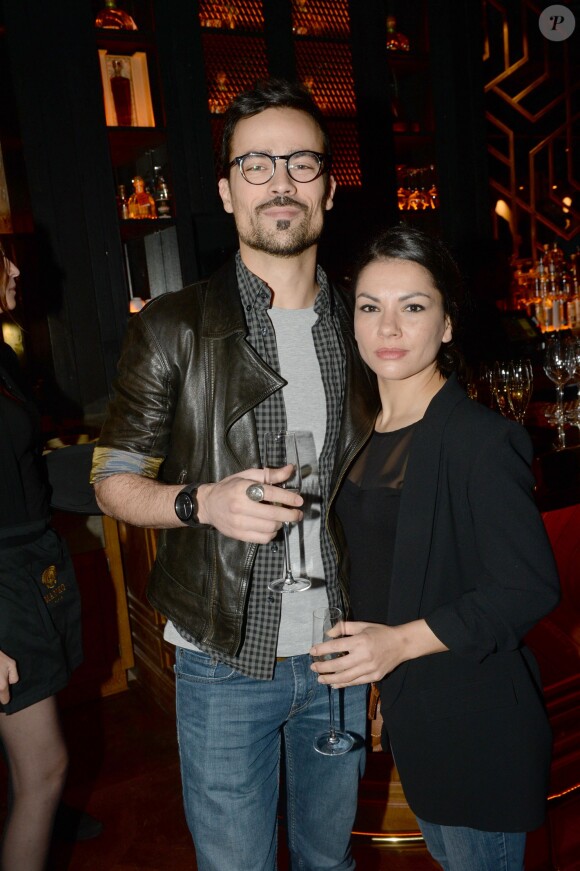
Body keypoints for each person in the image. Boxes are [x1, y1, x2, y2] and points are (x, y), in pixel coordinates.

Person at [91, 78, 378, 871]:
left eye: (300, 162)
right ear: (225, 189)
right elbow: (112, 478)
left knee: (331, 861)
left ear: (327, 184)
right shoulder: (174, 326)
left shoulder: (369, 325)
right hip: (223, 660)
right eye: (257, 164)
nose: (280, 180)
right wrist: (201, 501)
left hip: (341, 655)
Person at [310, 224, 560, 871]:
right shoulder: (359, 435)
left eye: (412, 306)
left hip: (477, 723)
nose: (388, 327)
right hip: (416, 716)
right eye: (371, 306)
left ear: (447, 323)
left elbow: (528, 589)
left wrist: (396, 642)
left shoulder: (479, 440)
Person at [0, 240, 86, 870]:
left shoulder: (1, 355)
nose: (15, 269)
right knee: (44, 770)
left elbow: (29, 467)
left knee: (40, 771)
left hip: (28, 565)